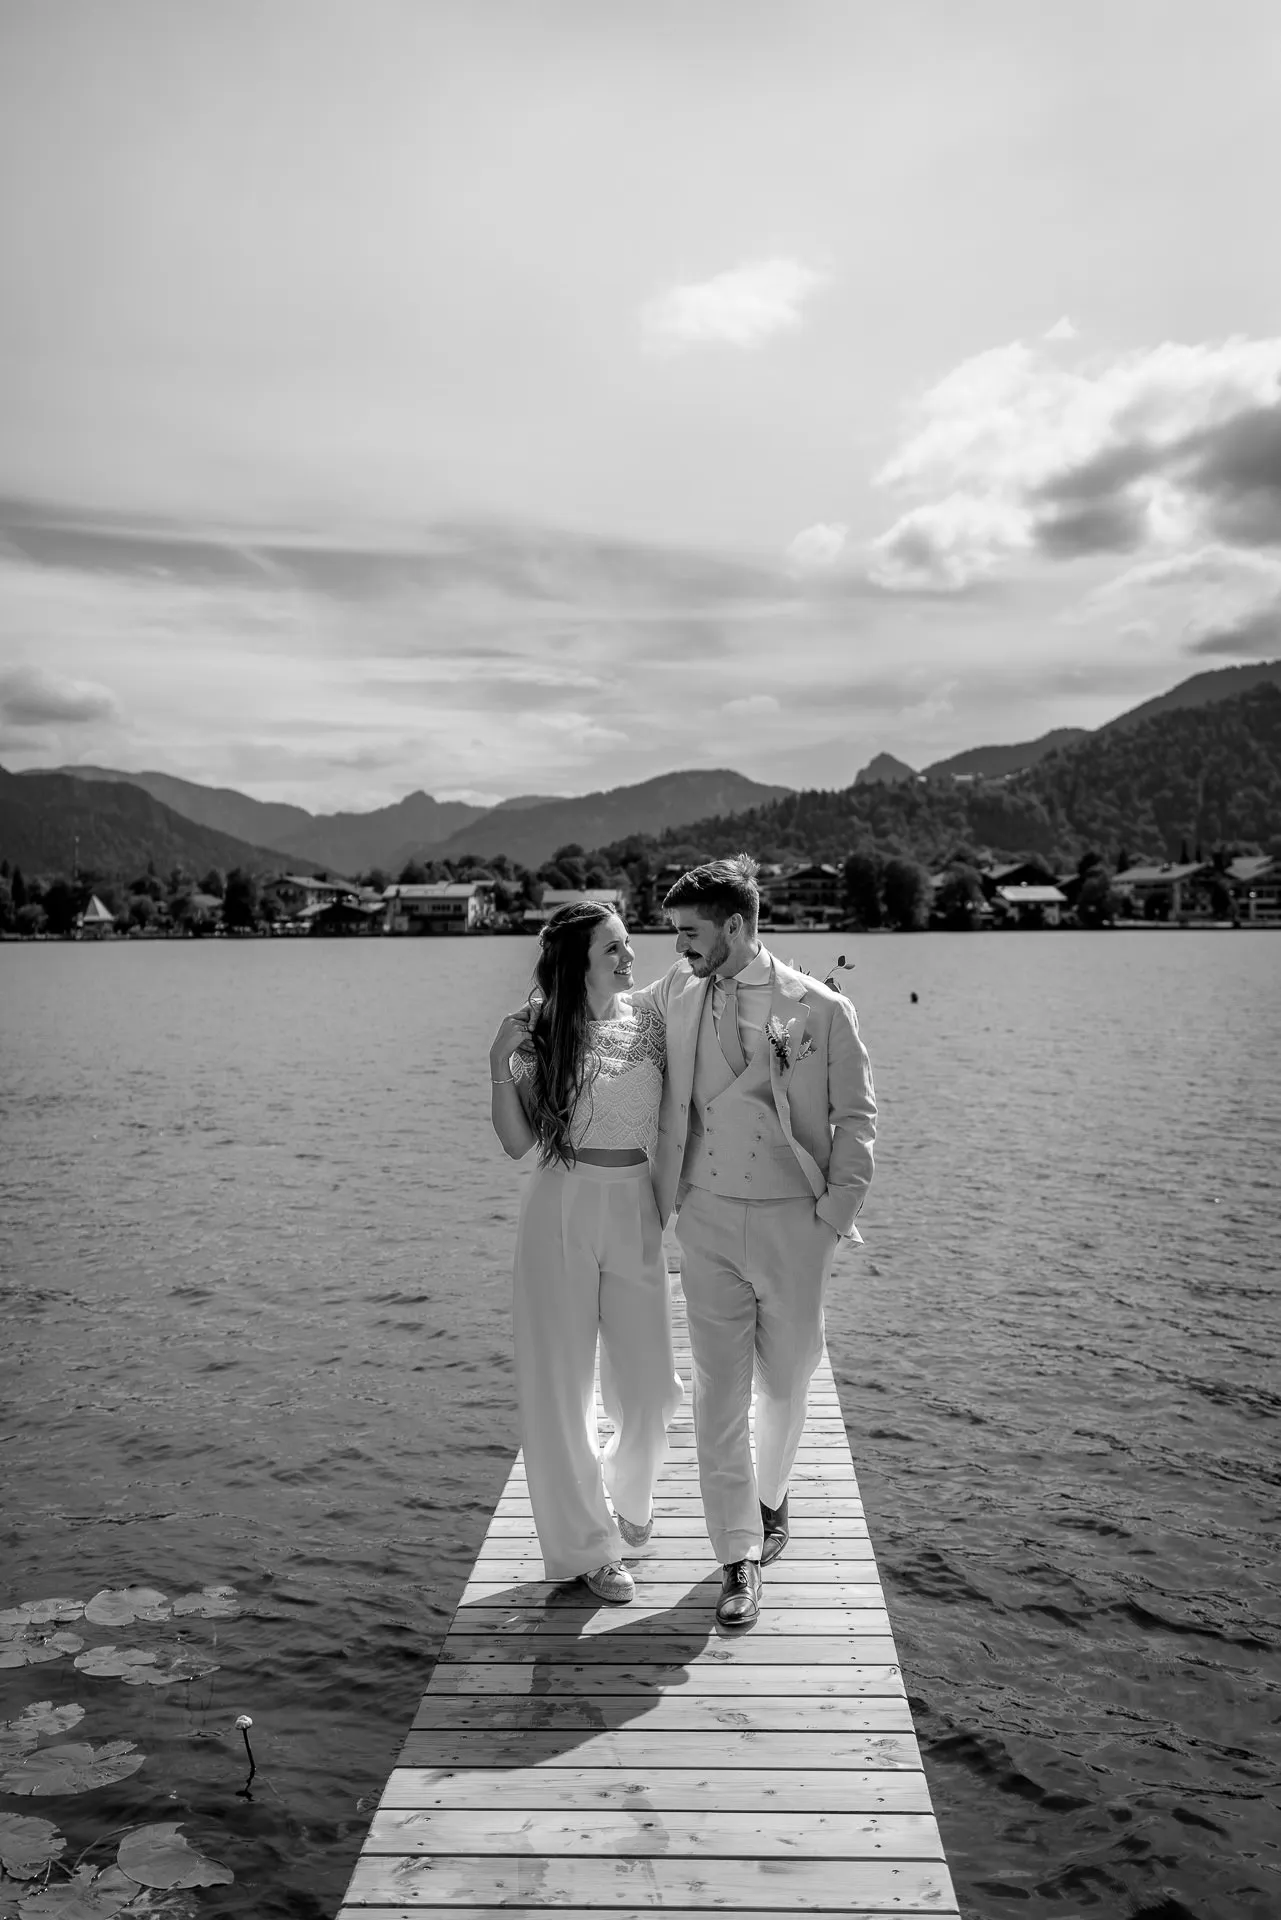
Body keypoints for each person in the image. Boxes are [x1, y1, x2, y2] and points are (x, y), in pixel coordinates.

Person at [631, 855, 876, 1629]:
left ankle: (773, 1497)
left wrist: (831, 1220)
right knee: (717, 1396)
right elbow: (604, 1008)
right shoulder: (675, 993)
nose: (678, 948)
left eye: (690, 933)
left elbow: (856, 1122)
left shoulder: (821, 1009)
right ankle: (737, 1556)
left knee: (786, 1383)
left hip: (792, 1222)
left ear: (735, 926)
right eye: (673, 934)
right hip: (703, 1219)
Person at [489, 900, 683, 1606]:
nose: (631, 958)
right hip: (561, 1205)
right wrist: (498, 1063)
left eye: (629, 944)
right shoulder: (541, 1029)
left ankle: (627, 1487)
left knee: (655, 1387)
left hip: (634, 1205)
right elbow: (517, 1144)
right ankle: (586, 1551)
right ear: (579, 962)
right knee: (559, 1387)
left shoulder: (654, 1020)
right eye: (614, 949)